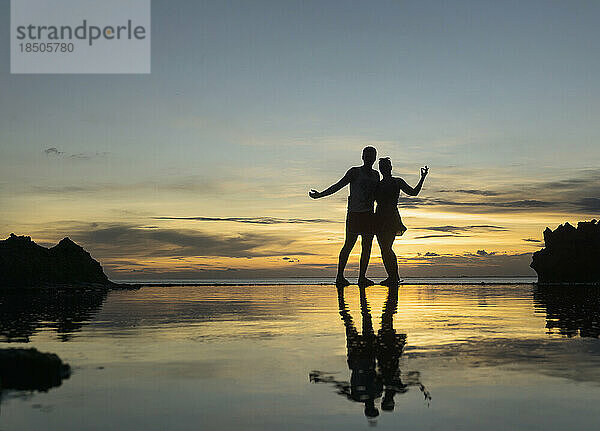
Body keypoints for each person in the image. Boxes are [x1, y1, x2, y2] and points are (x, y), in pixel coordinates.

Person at [309, 147, 379, 287]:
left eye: (372, 156)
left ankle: (362, 278)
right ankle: (340, 276)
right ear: (362, 157)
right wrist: (320, 195)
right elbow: (338, 185)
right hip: (354, 214)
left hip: (369, 215)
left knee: (367, 247)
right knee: (348, 245)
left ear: (375, 158)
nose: (369, 158)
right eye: (367, 155)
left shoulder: (376, 175)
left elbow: (378, 194)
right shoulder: (354, 172)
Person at [375, 158, 428, 286]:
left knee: (387, 248)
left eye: (386, 166)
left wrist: (422, 178)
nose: (384, 168)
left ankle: (394, 277)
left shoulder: (397, 182)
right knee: (384, 249)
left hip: (392, 217)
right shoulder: (377, 184)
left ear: (390, 167)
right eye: (382, 166)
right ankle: (392, 277)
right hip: (379, 218)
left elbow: (414, 192)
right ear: (380, 169)